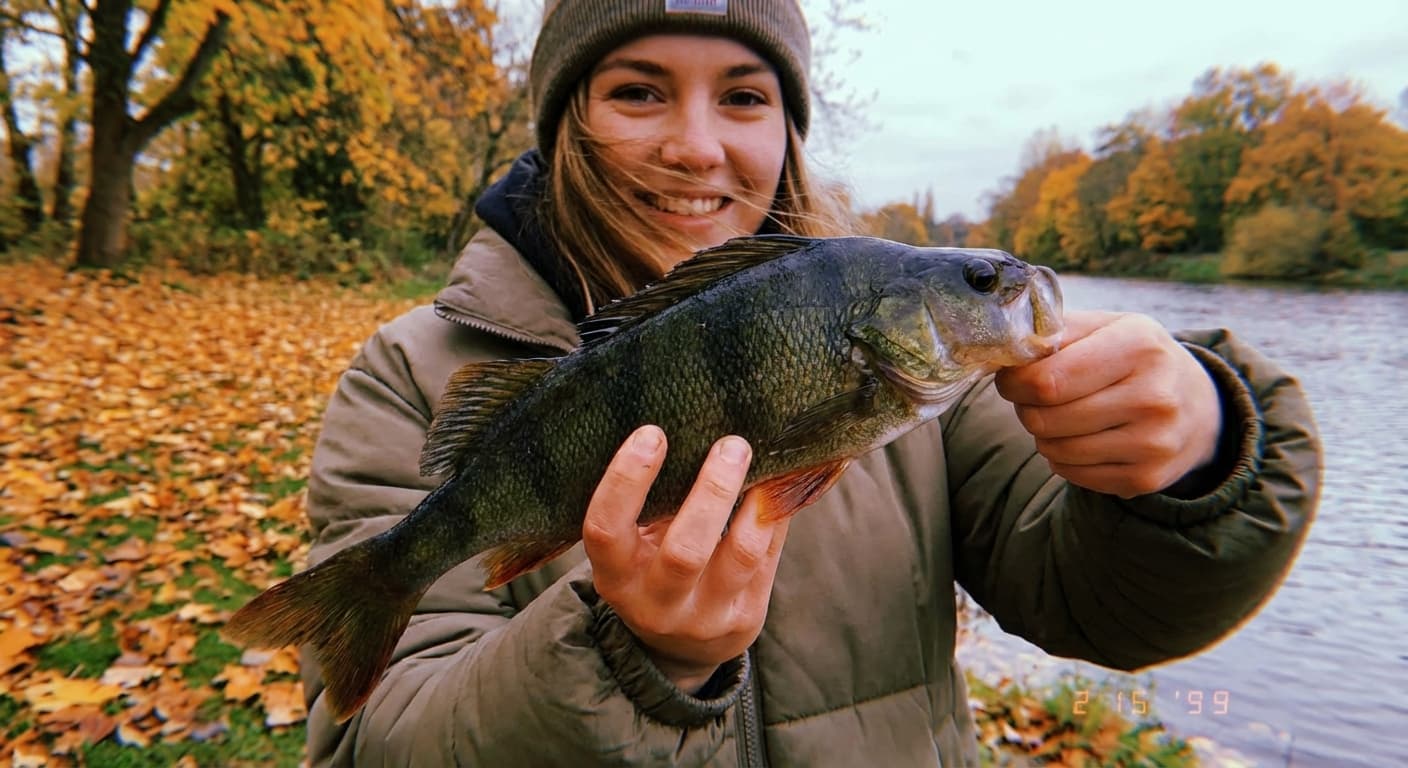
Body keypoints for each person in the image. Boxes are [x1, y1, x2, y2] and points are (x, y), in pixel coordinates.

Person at [299, 1, 1320, 764]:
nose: (696, 144)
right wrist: (630, 659)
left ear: (787, 130)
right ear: (565, 120)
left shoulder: (939, 389)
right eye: (637, 89)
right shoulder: (415, 373)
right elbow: (372, 746)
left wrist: (1200, 449)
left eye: (744, 96)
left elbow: (1107, 609)